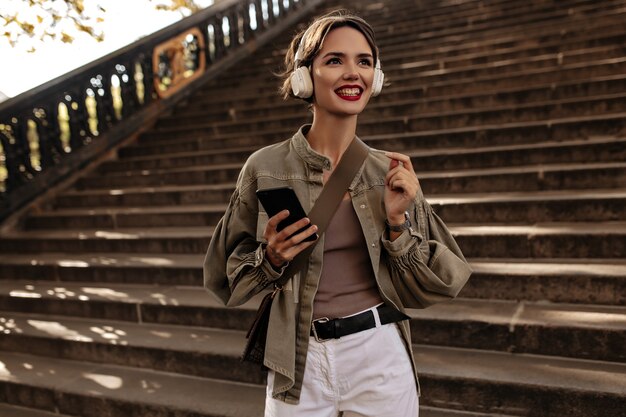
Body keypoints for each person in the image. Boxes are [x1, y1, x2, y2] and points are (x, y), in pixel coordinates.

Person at [204, 10, 472, 417]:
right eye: (335, 60)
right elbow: (223, 277)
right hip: (297, 358)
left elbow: (441, 282)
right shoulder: (264, 167)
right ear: (304, 77)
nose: (353, 73)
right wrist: (271, 259)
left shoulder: (391, 171)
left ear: (376, 78)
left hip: (379, 354)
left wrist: (398, 225)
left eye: (364, 62)